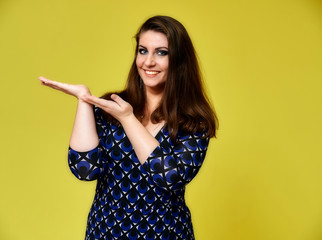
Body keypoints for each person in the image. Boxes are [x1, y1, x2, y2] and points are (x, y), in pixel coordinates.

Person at [39, 15, 218, 240]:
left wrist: (128, 119)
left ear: (180, 60)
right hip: (105, 232)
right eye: (143, 50)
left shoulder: (194, 121)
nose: (148, 61)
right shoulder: (111, 108)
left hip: (166, 234)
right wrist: (84, 100)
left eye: (162, 52)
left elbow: (169, 176)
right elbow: (85, 170)